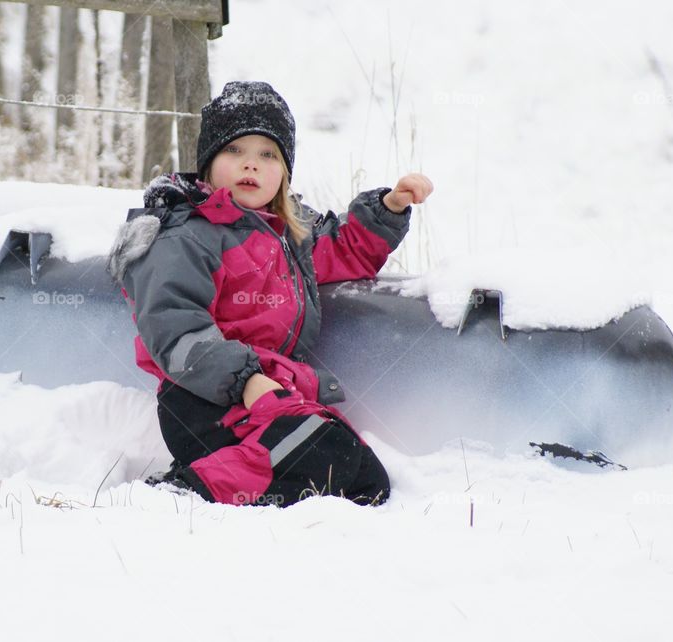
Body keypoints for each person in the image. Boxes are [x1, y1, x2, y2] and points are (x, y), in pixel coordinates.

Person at [108, 81, 433, 507]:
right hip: (207, 401)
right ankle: (183, 496)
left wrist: (387, 210)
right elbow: (175, 328)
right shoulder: (186, 236)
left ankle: (215, 489)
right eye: (235, 151)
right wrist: (245, 380)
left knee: (363, 481)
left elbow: (345, 253)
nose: (252, 165)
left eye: (268, 155)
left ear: (283, 171)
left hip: (269, 393)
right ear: (207, 164)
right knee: (340, 463)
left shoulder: (288, 233)